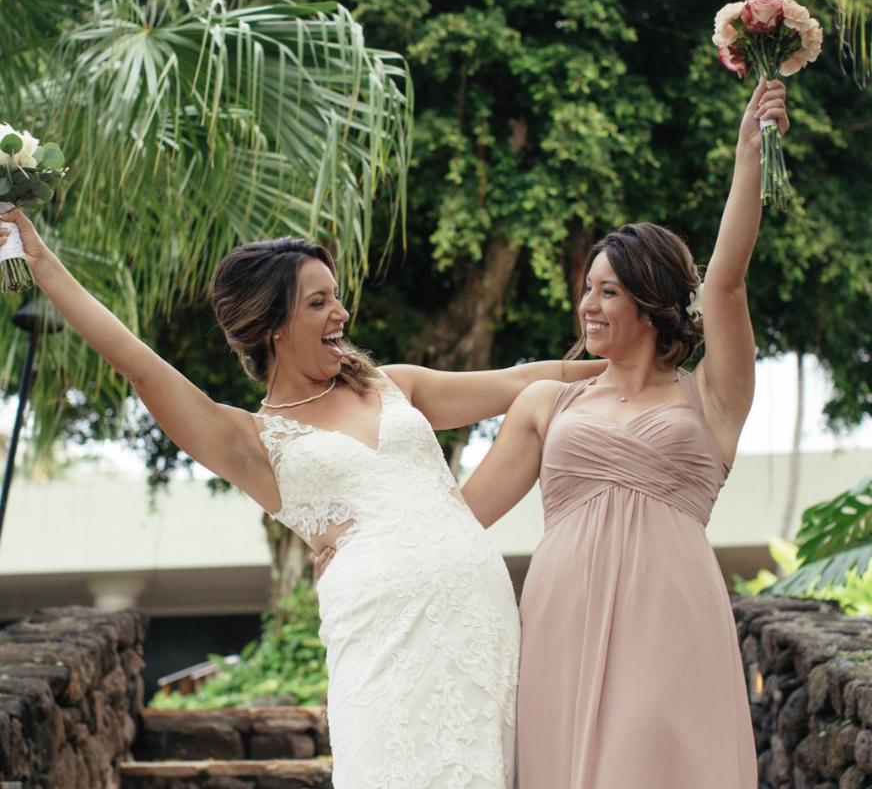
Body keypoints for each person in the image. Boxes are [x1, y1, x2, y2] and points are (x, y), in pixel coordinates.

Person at [0, 218, 607, 789]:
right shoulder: (250, 441)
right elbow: (138, 364)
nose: (340, 313)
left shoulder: (395, 386)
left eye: (336, 297)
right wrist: (40, 259)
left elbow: (522, 383)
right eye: (318, 303)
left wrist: (641, 363)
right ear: (272, 326)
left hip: (478, 624)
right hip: (382, 643)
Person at [461, 76, 788, 789]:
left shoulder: (711, 399)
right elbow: (460, 518)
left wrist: (749, 154)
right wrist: (354, 539)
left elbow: (726, 282)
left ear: (651, 303)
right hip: (560, 621)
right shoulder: (547, 404)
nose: (588, 305)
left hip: (670, 624)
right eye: (588, 288)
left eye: (607, 291)